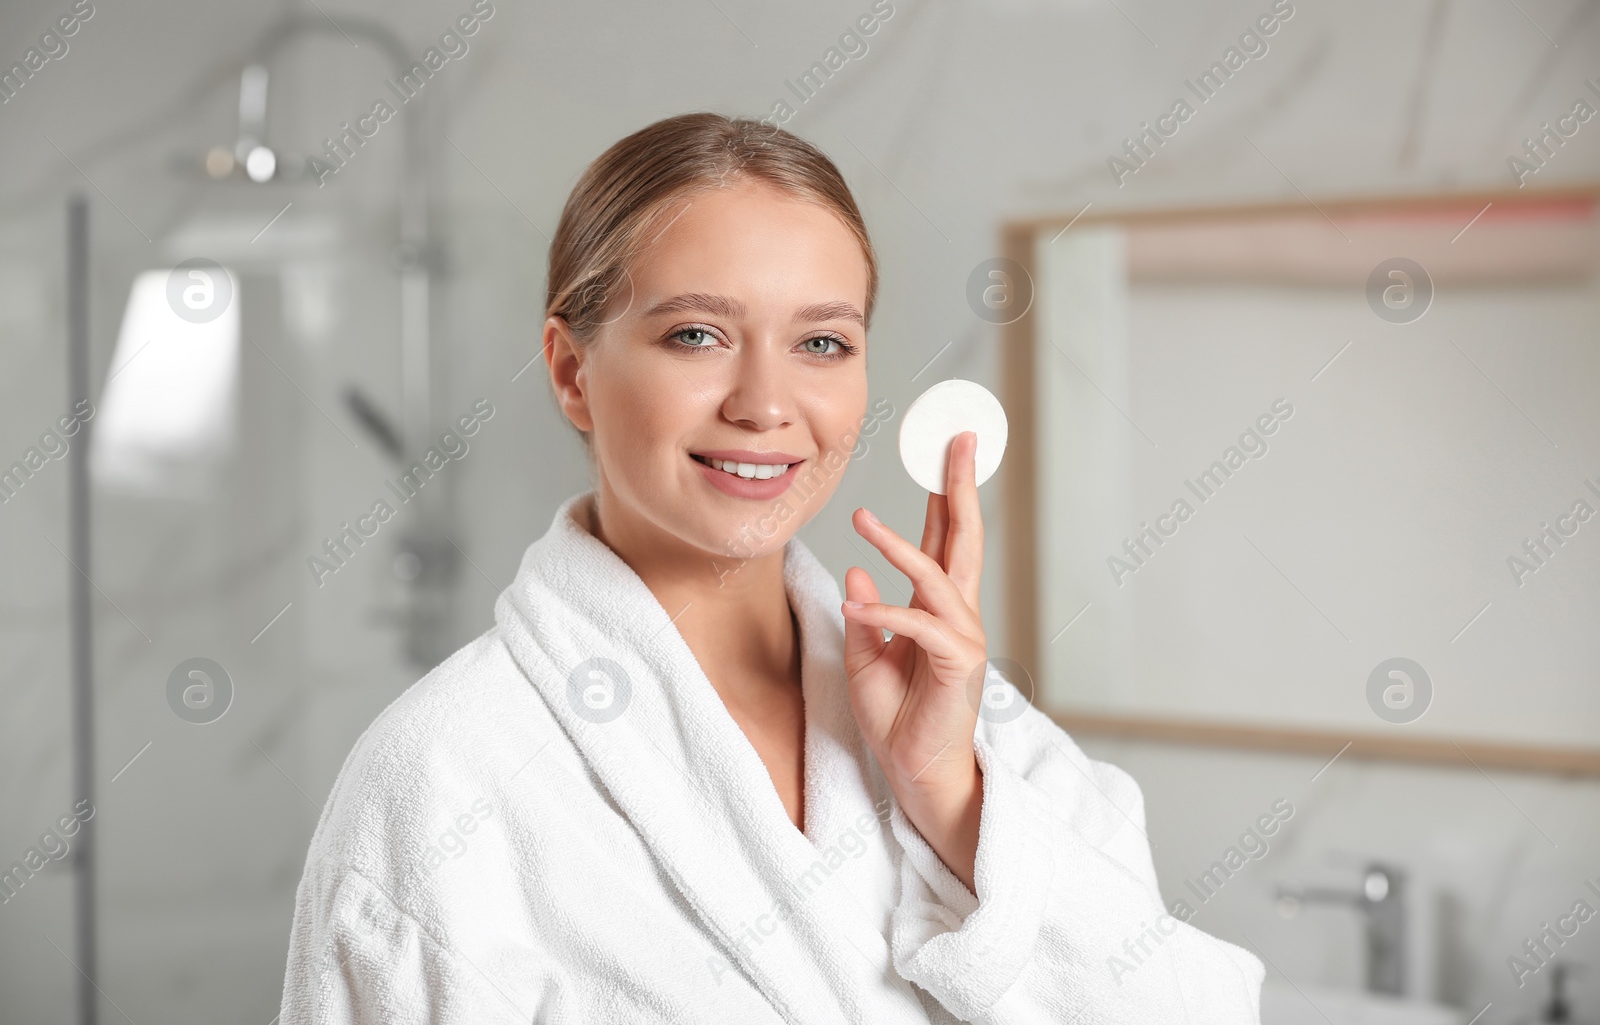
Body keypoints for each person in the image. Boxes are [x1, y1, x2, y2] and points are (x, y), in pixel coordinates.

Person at [279, 112, 1264, 1023]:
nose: (764, 403)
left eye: (821, 342)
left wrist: (952, 799)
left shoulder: (982, 738)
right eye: (696, 335)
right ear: (571, 370)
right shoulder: (444, 777)